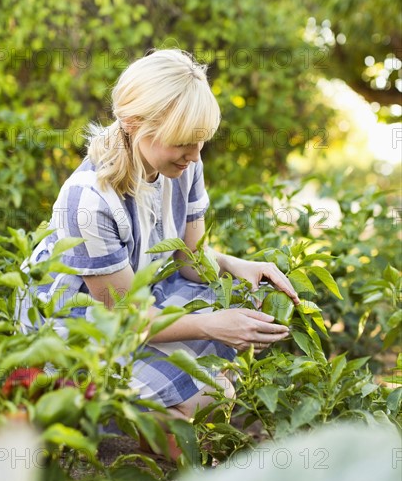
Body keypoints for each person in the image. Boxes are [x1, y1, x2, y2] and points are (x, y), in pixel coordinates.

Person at [18, 49, 299, 422]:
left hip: (142, 294)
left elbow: (190, 262)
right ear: (134, 123)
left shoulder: (181, 166)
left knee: (250, 302)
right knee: (210, 399)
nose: (195, 157)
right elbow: (128, 319)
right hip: (81, 322)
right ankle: (83, 401)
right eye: (183, 142)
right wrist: (212, 325)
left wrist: (238, 265)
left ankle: (156, 400)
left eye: (200, 142)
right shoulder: (89, 200)